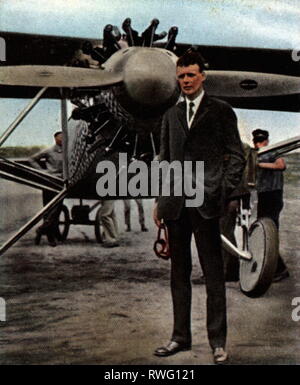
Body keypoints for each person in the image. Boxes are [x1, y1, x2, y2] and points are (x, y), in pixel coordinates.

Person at [153, 51, 245, 364]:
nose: (186, 81)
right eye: (181, 76)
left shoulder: (221, 110)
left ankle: (218, 342)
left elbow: (236, 155)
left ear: (202, 75)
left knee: (213, 275)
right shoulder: (170, 115)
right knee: (178, 274)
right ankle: (179, 338)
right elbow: (164, 160)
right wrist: (159, 201)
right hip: (176, 205)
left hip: (207, 205)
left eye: (191, 75)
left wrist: (222, 191)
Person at [252, 129, 289, 282]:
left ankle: (279, 269)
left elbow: (281, 166)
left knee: (269, 233)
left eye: (262, 140)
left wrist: (260, 164)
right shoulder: (257, 153)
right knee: (263, 233)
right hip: (263, 195)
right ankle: (273, 268)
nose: (260, 143)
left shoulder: (273, 153)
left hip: (273, 195)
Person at [29, 131, 63, 247]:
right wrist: (42, 171)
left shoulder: (68, 151)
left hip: (62, 183)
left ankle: (43, 230)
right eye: (60, 137)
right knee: (49, 209)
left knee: (57, 210)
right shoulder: (49, 151)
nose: (63, 139)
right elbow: (32, 159)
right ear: (55, 139)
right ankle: (49, 237)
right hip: (50, 182)